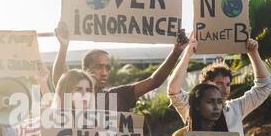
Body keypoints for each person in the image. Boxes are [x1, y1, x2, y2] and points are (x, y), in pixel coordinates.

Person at [52, 21, 189, 112]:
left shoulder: (119, 96)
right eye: (99, 67)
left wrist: (176, 51)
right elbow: (60, 79)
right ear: (85, 70)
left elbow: (154, 81)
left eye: (108, 68)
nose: (104, 72)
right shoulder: (75, 97)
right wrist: (63, 46)